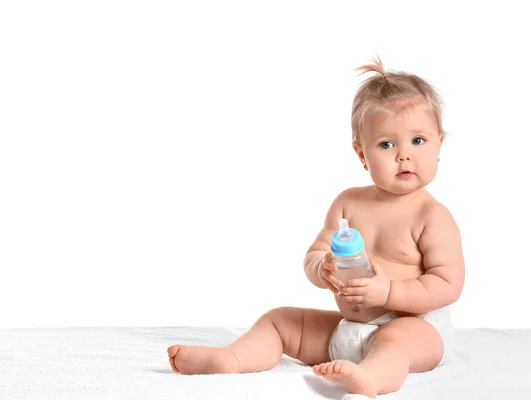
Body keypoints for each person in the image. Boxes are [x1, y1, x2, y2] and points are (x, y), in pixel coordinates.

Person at [167, 55, 465, 398]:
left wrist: (388, 293)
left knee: (393, 342)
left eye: (418, 140)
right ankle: (232, 358)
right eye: (386, 144)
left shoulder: (432, 216)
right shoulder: (348, 204)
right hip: (348, 327)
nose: (404, 155)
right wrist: (322, 269)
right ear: (361, 154)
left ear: (439, 144)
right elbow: (316, 254)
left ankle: (371, 378)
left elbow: (447, 284)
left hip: (416, 331)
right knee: (280, 320)